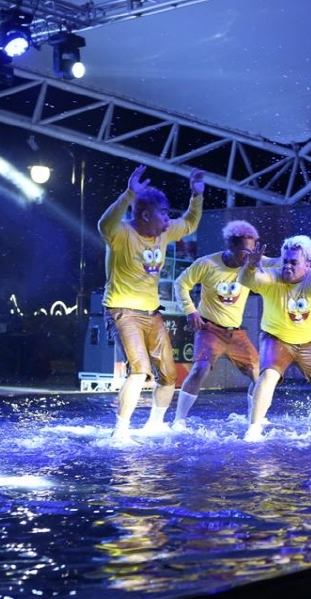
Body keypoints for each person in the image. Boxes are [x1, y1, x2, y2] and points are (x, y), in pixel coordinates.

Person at [98, 164, 205, 441]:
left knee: (168, 374)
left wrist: (196, 195)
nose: (168, 220)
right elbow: (103, 225)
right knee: (139, 371)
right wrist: (128, 195)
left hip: (152, 313)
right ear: (145, 214)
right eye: (163, 213)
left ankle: (154, 424)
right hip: (123, 311)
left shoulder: (163, 234)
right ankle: (121, 431)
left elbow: (190, 223)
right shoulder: (122, 234)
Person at [239, 234, 311, 441]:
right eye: (285, 261)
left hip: (309, 344)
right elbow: (246, 280)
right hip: (276, 339)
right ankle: (254, 428)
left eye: (294, 262)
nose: (287, 266)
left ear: (307, 264)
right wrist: (251, 266)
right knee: (268, 376)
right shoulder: (272, 277)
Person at [172, 220, 264, 426]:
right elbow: (181, 283)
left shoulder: (252, 263)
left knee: (260, 376)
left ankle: (256, 418)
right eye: (244, 251)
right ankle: (179, 420)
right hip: (210, 329)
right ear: (231, 246)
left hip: (236, 333)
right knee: (200, 369)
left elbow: (278, 264)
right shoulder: (207, 264)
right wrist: (190, 311)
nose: (248, 257)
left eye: (252, 252)